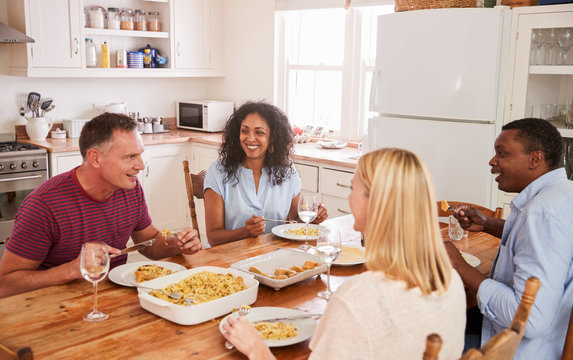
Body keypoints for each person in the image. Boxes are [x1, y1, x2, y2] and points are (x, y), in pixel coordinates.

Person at [222, 148, 466, 359]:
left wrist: (256, 347)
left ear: (376, 203)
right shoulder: (451, 280)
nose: (349, 197)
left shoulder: (356, 299)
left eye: (353, 189)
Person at [0, 113, 201, 298]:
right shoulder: (44, 206)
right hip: (53, 307)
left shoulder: (129, 188)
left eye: (140, 155)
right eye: (130, 157)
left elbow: (149, 242)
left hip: (112, 298)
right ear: (95, 158)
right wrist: (70, 270)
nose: (141, 165)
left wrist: (176, 244)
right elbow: (5, 284)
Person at [445, 118, 573, 358]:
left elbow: (531, 319)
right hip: (552, 334)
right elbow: (544, 244)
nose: (492, 161)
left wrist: (457, 264)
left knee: (411, 339)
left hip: (522, 350)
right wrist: (488, 223)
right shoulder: (563, 194)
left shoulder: (541, 214)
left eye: (501, 153)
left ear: (535, 159)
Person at [203, 101, 327, 246]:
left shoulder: (286, 170)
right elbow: (213, 237)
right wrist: (245, 232)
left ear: (273, 137)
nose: (250, 138)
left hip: (274, 256)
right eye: (244, 131)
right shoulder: (218, 171)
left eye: (259, 132)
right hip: (227, 259)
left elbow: (296, 221)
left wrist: (313, 219)